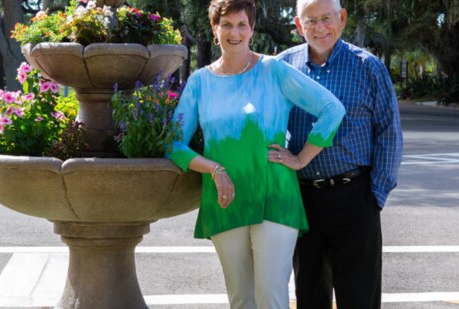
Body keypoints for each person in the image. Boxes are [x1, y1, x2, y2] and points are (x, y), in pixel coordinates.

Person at [166, 0, 345, 307]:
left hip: (275, 197)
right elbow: (173, 144)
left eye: (242, 25)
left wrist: (300, 158)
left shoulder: (273, 70)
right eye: (226, 25)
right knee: (240, 298)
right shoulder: (199, 82)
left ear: (252, 29)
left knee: (271, 297)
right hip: (225, 199)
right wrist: (214, 169)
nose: (234, 33)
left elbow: (332, 109)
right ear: (214, 28)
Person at [277, 0, 403, 308]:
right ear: (297, 25)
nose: (319, 28)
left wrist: (375, 196)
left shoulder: (368, 66)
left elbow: (389, 132)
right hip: (302, 200)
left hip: (355, 197)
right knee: (310, 296)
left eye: (326, 19)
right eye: (310, 21)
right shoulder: (281, 67)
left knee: (359, 298)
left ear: (342, 18)